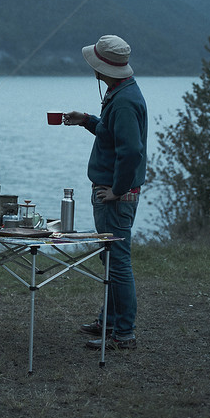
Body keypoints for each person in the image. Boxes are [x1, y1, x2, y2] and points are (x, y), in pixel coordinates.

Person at [62, 34, 147, 350]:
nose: (92, 68)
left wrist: (118, 189)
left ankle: (124, 332)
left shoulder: (124, 101)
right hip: (112, 192)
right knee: (111, 259)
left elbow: (131, 151)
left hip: (114, 196)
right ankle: (109, 322)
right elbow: (111, 134)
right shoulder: (120, 92)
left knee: (118, 261)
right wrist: (87, 120)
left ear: (103, 68)